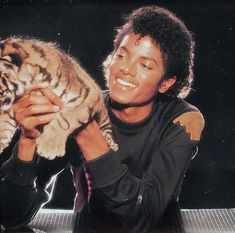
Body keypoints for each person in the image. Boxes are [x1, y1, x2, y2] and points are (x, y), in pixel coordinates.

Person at [0, 5, 204, 233]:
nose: (126, 69)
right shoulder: (75, 107)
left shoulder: (185, 119)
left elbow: (143, 217)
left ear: (166, 83)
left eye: (145, 65)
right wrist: (27, 141)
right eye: (121, 55)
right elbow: (12, 218)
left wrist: (87, 132)